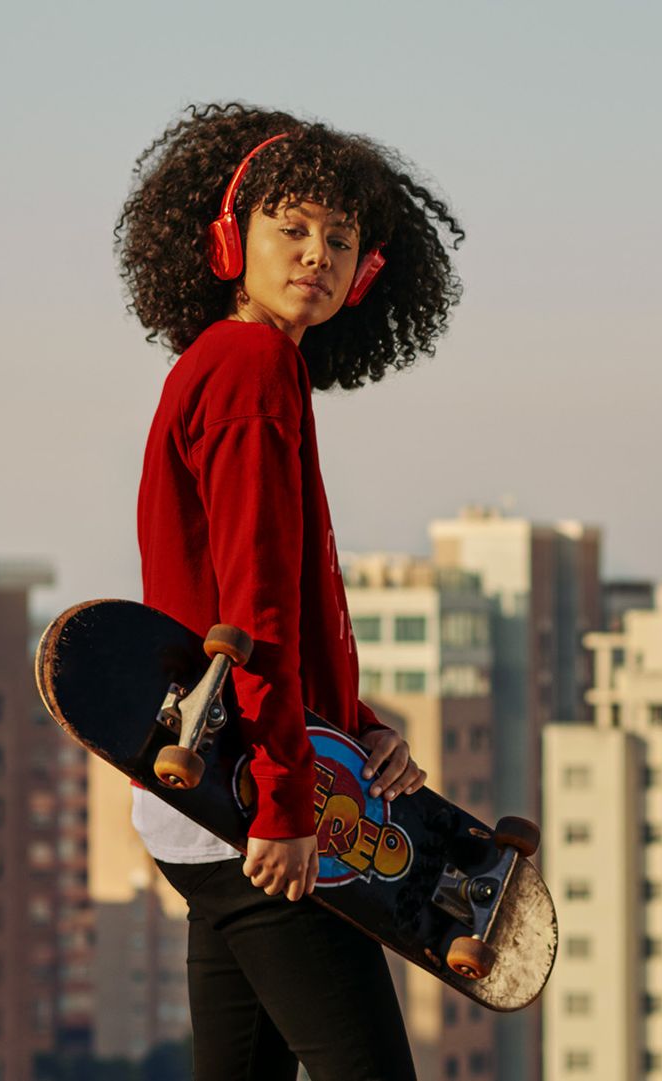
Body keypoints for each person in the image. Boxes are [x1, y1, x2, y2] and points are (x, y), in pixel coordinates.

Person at [113, 102, 466, 1080]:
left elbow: (275, 612)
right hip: (250, 807)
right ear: (232, 239)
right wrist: (287, 802)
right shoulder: (251, 366)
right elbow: (253, 609)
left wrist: (353, 725)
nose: (315, 251)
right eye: (292, 226)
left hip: (206, 791)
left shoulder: (236, 364)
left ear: (366, 275)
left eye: (340, 239)